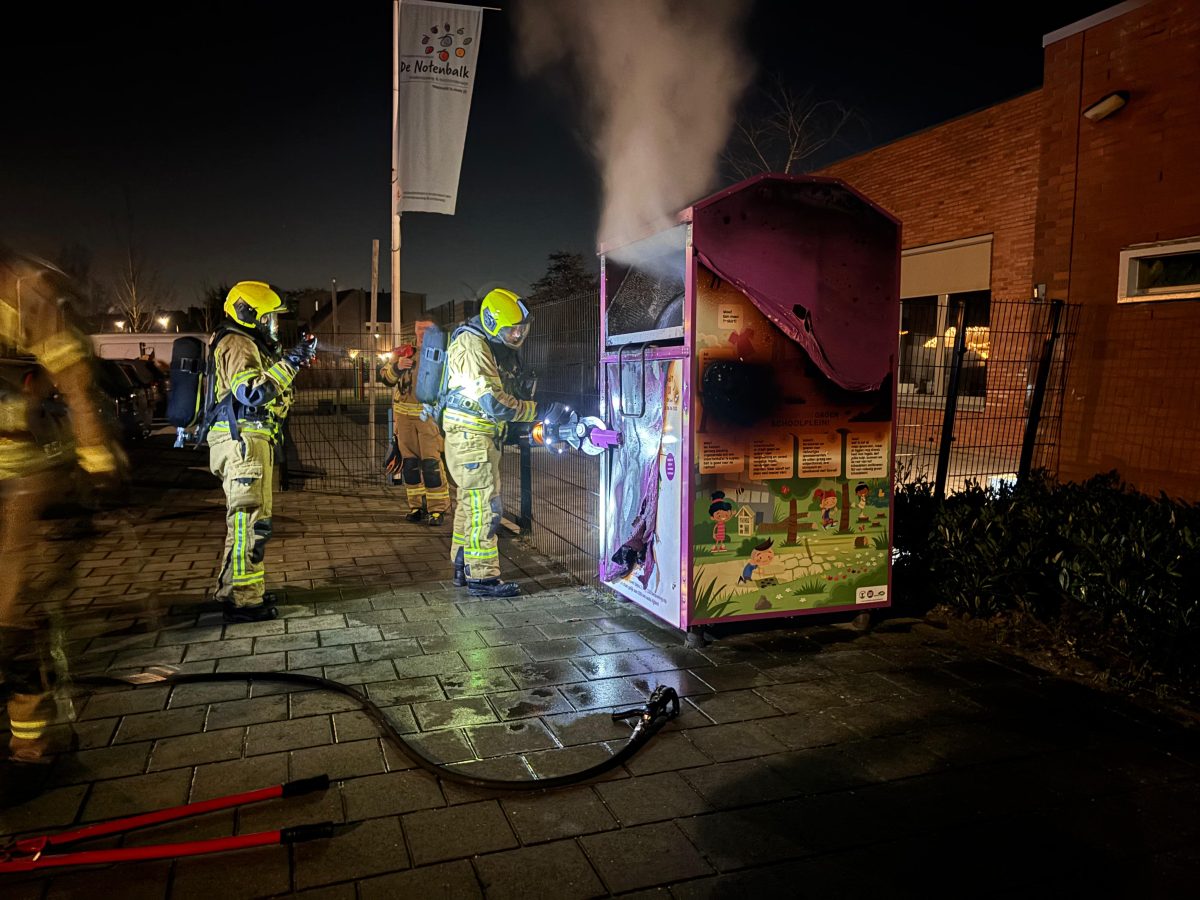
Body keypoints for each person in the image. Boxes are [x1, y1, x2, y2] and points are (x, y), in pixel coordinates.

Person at [1, 245, 123, 805]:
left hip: (15, 481)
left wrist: (95, 458)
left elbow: (71, 379)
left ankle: (30, 749)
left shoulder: (22, 291)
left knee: (11, 619)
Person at [442, 288, 564, 598]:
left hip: (475, 436)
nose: (517, 334)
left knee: (470, 505)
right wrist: (537, 410)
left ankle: (462, 565)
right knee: (486, 508)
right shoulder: (472, 345)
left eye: (521, 328)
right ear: (492, 322)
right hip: (472, 437)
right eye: (512, 329)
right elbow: (493, 403)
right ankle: (482, 578)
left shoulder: (483, 341)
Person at [207, 281, 315, 623]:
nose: (273, 325)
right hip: (243, 444)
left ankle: (237, 589)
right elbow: (253, 392)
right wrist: (292, 362)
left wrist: (290, 360)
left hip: (249, 442)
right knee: (250, 522)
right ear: (248, 313)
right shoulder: (237, 342)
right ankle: (243, 600)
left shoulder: (244, 341)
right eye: (268, 318)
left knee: (246, 521)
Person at [380, 319, 449, 525]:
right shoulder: (403, 352)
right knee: (409, 465)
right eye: (419, 329)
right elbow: (385, 378)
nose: (421, 333)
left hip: (428, 419)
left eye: (427, 329)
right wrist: (396, 366)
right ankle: (416, 507)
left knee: (431, 465)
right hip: (404, 419)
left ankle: (438, 509)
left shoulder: (442, 355)